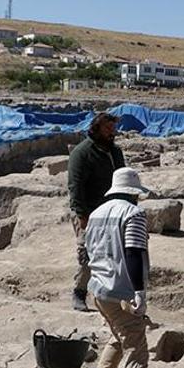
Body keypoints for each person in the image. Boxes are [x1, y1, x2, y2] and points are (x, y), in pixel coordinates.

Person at [83, 167, 158, 368]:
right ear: (133, 193)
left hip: (98, 289)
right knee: (136, 349)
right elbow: (133, 252)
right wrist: (139, 292)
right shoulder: (133, 213)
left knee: (118, 337)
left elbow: (87, 252)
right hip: (122, 291)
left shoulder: (95, 214)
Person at [68, 113, 126, 311]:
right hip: (89, 212)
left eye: (113, 129)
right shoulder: (82, 153)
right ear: (97, 129)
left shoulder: (115, 152)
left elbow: (122, 180)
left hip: (112, 211)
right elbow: (75, 186)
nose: (112, 133)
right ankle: (79, 292)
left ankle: (107, 295)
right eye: (108, 129)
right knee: (87, 254)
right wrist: (82, 215)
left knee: (114, 253)